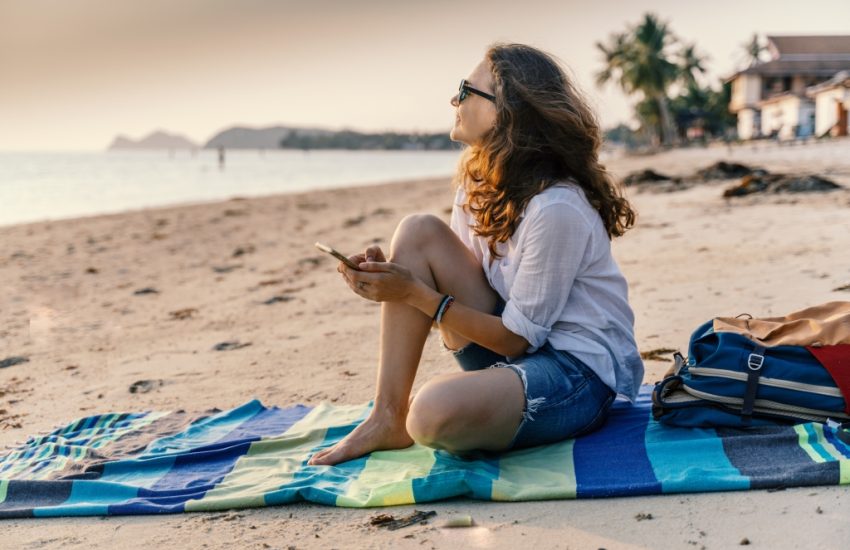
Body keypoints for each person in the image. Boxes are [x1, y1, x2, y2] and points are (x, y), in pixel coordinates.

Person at [309, 43, 643, 466]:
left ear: (503, 111)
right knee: (416, 232)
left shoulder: (555, 207)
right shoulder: (477, 182)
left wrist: (413, 292)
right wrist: (395, 273)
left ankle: (418, 415)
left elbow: (518, 338)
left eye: (466, 89)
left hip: (576, 373)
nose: (455, 100)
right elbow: (458, 284)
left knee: (431, 415)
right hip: (514, 347)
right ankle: (386, 417)